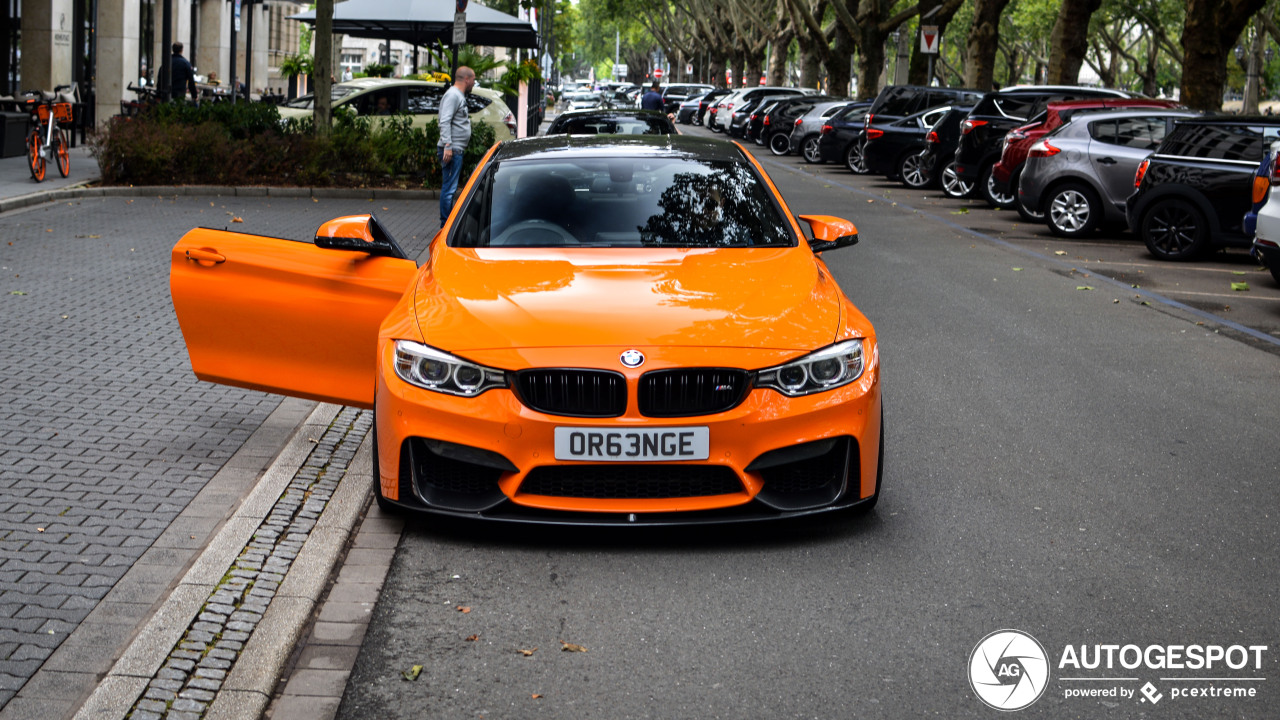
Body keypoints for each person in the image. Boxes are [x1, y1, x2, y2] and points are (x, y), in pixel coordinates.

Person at [437, 66, 476, 227]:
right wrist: (448, 145)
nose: (474, 83)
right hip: (452, 150)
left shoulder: (456, 95)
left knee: (450, 188)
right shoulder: (453, 95)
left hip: (454, 149)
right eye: (473, 79)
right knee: (449, 189)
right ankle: (445, 226)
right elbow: (444, 120)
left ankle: (446, 224)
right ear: (466, 79)